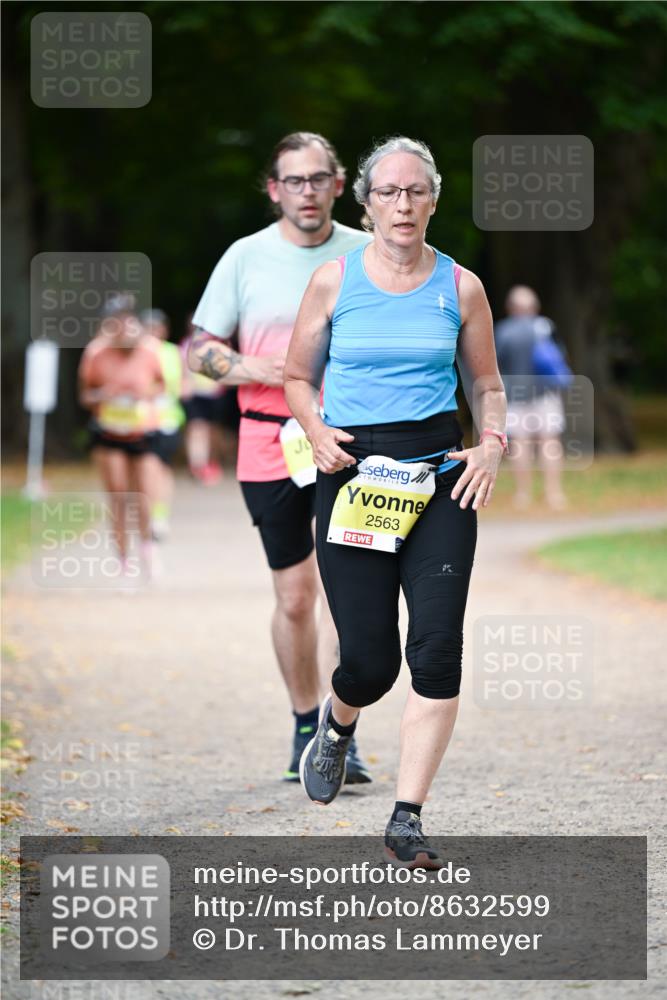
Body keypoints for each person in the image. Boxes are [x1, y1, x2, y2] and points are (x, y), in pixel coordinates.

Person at [284, 136, 507, 868]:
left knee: (437, 649)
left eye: (416, 192)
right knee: (371, 663)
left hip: (442, 476)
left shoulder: (461, 285)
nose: (403, 204)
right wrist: (313, 430)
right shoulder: (332, 281)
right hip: (354, 477)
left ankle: (406, 817)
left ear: (433, 200)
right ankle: (337, 725)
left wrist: (493, 441)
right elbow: (294, 377)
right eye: (389, 192)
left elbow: (487, 386)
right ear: (367, 202)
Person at [188, 132, 372, 783]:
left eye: (318, 178)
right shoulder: (245, 257)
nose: (307, 191)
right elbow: (196, 348)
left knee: (349, 593)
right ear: (274, 189)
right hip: (269, 441)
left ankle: (338, 727)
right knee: (295, 596)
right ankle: (303, 722)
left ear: (337, 184)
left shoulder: (366, 252)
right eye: (293, 181)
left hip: (353, 444)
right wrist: (246, 365)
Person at [78, 295, 165, 579]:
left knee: (144, 497)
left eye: (128, 319)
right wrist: (103, 396)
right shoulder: (95, 353)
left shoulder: (150, 350)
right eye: (116, 321)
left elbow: (161, 387)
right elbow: (85, 396)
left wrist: (144, 395)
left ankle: (147, 548)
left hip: (142, 431)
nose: (123, 326)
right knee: (118, 496)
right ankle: (123, 560)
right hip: (109, 432)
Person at [494, 286, 569, 510]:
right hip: (546, 393)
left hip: (515, 395)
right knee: (549, 441)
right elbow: (559, 357)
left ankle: (523, 495)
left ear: (511, 308)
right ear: (534, 307)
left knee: (520, 443)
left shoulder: (503, 331)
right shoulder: (545, 326)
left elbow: (496, 363)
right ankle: (554, 494)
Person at [140, 308, 187, 540]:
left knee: (158, 467)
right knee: (150, 468)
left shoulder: (172, 352)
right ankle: (151, 516)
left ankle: (158, 516)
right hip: (141, 420)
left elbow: (183, 385)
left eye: (156, 327)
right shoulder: (135, 352)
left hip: (167, 419)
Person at [180, 313, 237, 485]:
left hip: (215, 395)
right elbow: (181, 368)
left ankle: (210, 463)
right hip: (195, 395)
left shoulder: (219, 345)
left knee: (213, 432)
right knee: (197, 430)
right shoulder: (185, 345)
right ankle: (197, 465)